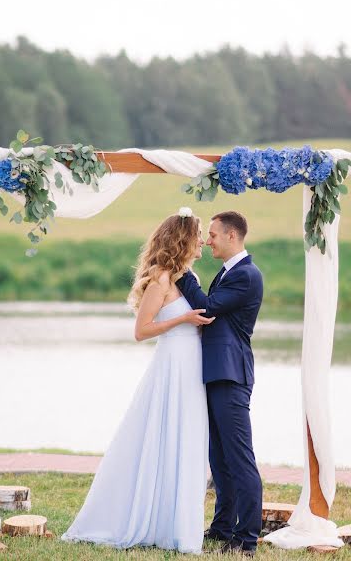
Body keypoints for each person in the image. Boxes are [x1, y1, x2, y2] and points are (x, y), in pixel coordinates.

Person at [62, 209, 213, 554]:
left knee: (187, 439)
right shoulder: (159, 279)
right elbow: (141, 331)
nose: (203, 241)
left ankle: (176, 526)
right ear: (183, 238)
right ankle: (137, 516)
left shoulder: (188, 276)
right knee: (159, 437)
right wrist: (183, 319)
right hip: (170, 367)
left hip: (191, 368)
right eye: (199, 235)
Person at [176, 210, 263, 558]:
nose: (207, 240)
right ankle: (223, 527)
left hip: (231, 374)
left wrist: (183, 274)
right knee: (220, 457)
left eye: (212, 235)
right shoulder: (230, 272)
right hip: (216, 372)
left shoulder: (246, 275)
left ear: (231, 236)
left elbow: (209, 309)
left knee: (239, 457)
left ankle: (247, 539)